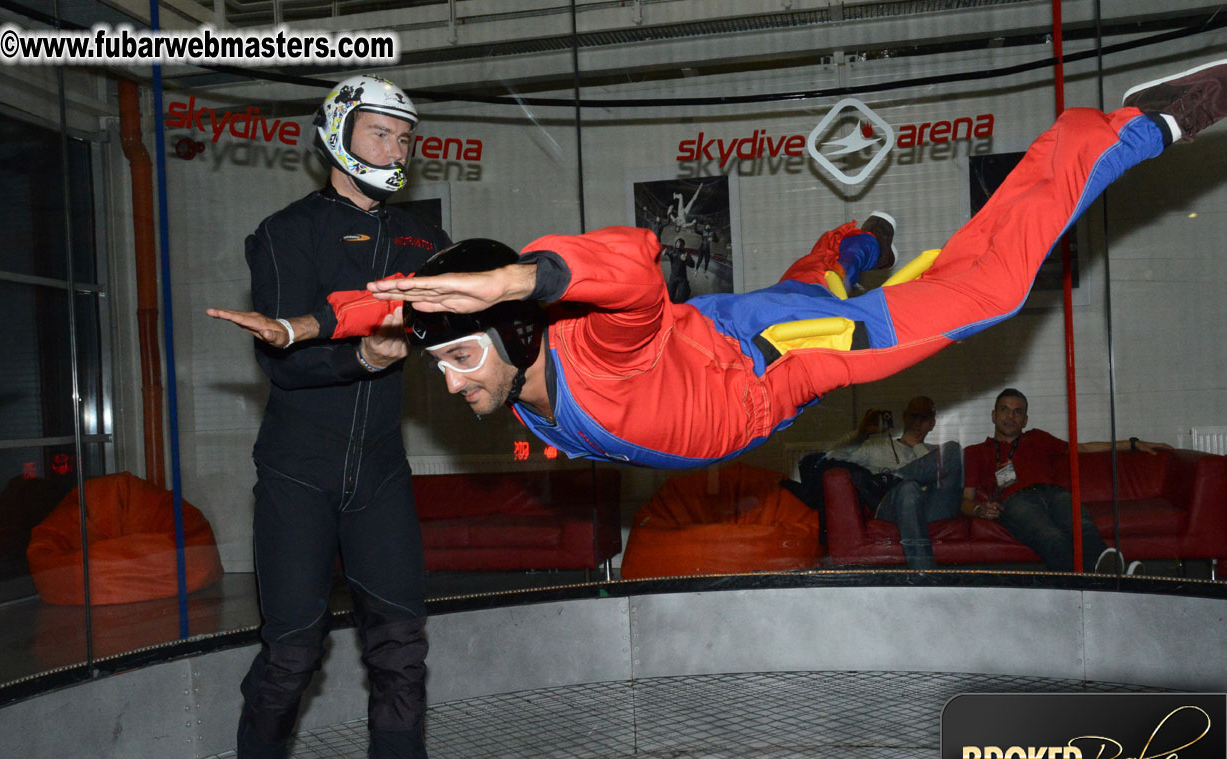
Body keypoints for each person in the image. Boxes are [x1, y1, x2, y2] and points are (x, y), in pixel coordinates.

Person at [211, 59, 1225, 475]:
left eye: (459, 358)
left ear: (516, 330)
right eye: (447, 364)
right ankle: (859, 241)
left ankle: (1133, 127)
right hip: (741, 341)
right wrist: (310, 328)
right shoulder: (514, 382)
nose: (445, 377)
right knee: (819, 277)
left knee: (983, 293)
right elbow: (387, 310)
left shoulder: (603, 344)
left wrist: (520, 276)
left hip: (775, 363)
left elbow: (639, 263)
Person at [223, 74, 449, 759]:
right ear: (338, 134)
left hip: (381, 468)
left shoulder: (424, 238)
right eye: (380, 133)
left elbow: (470, 318)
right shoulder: (284, 232)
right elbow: (282, 364)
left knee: (400, 650)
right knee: (290, 653)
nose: (395, 147)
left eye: (404, 136)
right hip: (296, 468)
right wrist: (367, 360)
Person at [960, 388, 1172, 573]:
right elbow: (966, 501)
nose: (1010, 416)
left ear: (1025, 420)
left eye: (1018, 412)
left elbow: (1084, 448)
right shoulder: (975, 452)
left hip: (1054, 494)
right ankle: (1110, 579)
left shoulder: (1038, 438)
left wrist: (1133, 443)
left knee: (1082, 526)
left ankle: (1110, 576)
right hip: (1015, 501)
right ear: (994, 415)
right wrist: (979, 510)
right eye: (1005, 409)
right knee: (1052, 537)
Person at [827, 396, 962, 569]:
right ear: (905, 417)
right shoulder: (878, 448)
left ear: (932, 424)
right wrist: (861, 433)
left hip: (930, 508)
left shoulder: (932, 453)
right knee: (908, 489)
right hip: (893, 508)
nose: (917, 423)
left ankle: (895, 477)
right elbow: (832, 456)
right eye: (913, 416)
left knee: (953, 449)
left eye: (924, 418)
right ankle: (924, 574)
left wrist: (916, 446)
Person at [663, 237, 696, 302]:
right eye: (677, 243)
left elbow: (693, 265)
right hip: (673, 277)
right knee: (669, 295)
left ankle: (679, 307)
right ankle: (670, 308)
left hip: (682, 278)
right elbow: (666, 252)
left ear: (683, 245)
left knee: (683, 296)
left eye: (680, 243)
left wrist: (686, 259)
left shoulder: (685, 253)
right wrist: (664, 252)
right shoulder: (672, 251)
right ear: (675, 243)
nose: (678, 244)